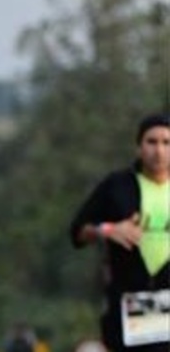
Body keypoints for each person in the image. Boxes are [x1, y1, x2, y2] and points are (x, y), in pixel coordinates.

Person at [69, 112, 170, 352]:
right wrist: (109, 229)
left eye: (167, 143)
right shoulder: (118, 186)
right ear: (139, 147)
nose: (159, 151)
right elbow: (77, 232)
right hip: (130, 304)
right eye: (151, 142)